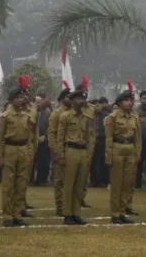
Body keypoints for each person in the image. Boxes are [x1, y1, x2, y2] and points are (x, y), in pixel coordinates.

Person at [0, 79, 35, 227]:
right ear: (11, 100)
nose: (20, 100)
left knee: (21, 183)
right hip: (10, 150)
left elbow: (30, 137)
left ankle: (17, 214)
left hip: (23, 149)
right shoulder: (5, 116)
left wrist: (29, 153)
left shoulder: (26, 116)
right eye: (17, 98)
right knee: (8, 185)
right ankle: (7, 215)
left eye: (21, 97)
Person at [58, 84, 95, 225]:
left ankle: (76, 213)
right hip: (71, 150)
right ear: (72, 102)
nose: (81, 101)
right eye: (78, 99)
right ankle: (67, 214)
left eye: (82, 99)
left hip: (83, 151)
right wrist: (61, 155)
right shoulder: (65, 116)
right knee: (69, 184)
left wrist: (89, 153)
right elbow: (60, 137)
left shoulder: (87, 117)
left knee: (80, 184)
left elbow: (90, 137)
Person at [104, 86, 140, 224]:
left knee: (127, 183)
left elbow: (138, 138)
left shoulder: (135, 118)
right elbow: (108, 138)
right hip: (117, 149)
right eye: (126, 100)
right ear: (119, 103)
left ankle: (123, 212)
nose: (129, 103)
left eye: (130, 100)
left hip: (130, 149)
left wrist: (137, 153)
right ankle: (115, 213)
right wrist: (108, 156)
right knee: (117, 183)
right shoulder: (111, 118)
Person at [48, 87, 73, 216]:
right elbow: (52, 134)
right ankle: (60, 207)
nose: (71, 99)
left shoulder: (74, 112)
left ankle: (70, 206)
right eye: (69, 97)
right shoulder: (56, 113)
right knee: (59, 181)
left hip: (72, 150)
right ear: (63, 99)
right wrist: (56, 151)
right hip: (60, 150)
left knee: (71, 180)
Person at [32, 95, 52, 187]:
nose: (39, 104)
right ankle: (29, 179)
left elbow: (50, 127)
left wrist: (45, 136)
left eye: (40, 102)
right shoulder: (31, 114)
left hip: (43, 141)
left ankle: (40, 179)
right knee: (31, 161)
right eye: (37, 102)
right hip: (32, 141)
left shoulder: (47, 113)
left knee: (42, 161)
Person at [91, 97, 111, 187]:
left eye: (98, 106)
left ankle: (104, 180)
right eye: (95, 106)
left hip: (103, 142)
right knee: (93, 162)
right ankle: (94, 180)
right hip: (93, 142)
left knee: (103, 162)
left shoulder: (106, 116)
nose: (97, 107)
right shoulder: (91, 116)